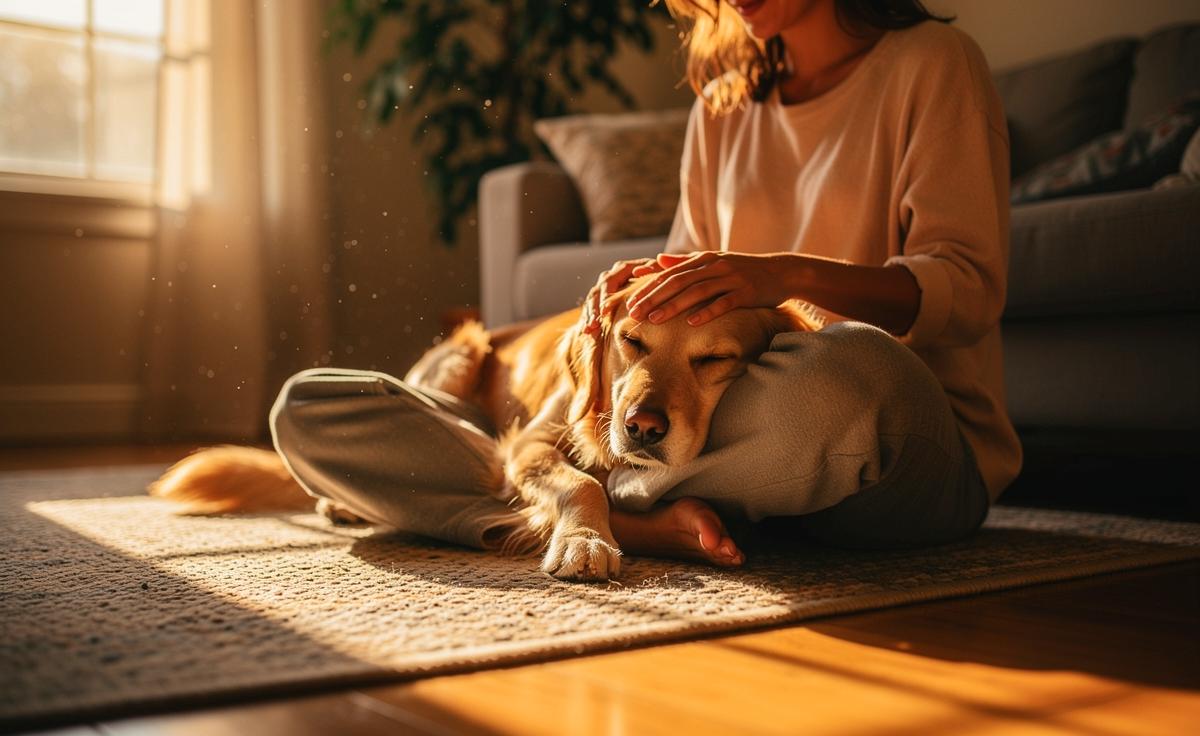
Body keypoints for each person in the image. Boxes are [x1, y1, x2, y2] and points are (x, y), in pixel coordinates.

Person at [270, 0, 1021, 567]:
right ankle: (616, 510)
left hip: (878, 432)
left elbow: (967, 289)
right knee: (310, 407)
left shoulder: (933, 63)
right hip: (723, 420)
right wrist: (631, 304)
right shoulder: (723, 104)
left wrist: (781, 275)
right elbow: (678, 314)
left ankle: (575, 497)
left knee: (848, 374)